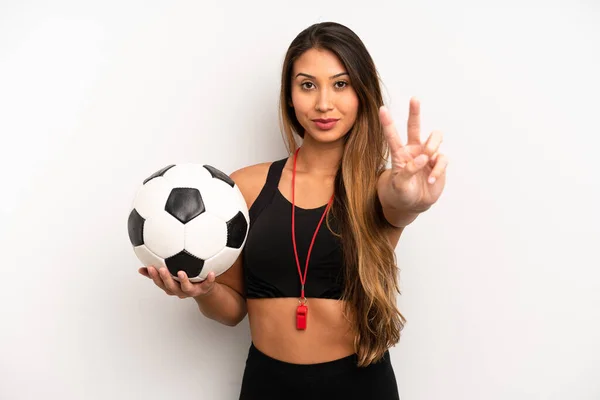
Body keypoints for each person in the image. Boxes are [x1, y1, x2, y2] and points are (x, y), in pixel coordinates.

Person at [139, 21, 448, 399]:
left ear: (362, 94)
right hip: (267, 384)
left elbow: (401, 202)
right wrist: (202, 291)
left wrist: (413, 195)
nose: (323, 103)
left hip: (359, 385)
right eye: (307, 85)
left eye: (340, 84)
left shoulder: (379, 186)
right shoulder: (246, 187)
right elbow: (232, 310)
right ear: (289, 95)